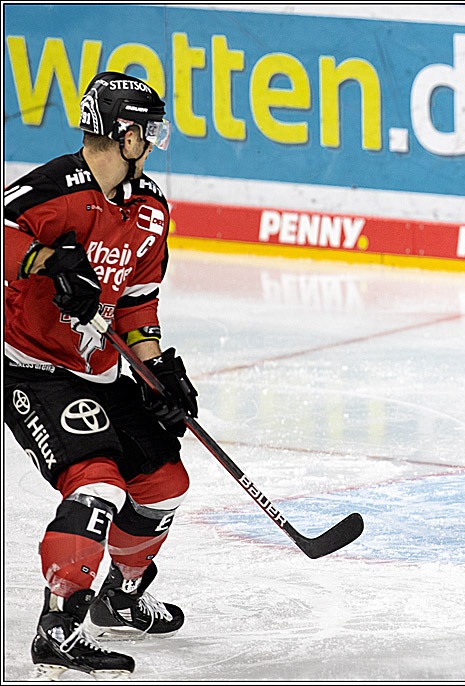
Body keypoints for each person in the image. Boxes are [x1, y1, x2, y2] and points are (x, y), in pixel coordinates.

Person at [4, 71, 199, 679]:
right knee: (97, 486)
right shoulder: (53, 190)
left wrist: (156, 371)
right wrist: (47, 260)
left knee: (164, 481)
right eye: (148, 130)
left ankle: (119, 596)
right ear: (122, 132)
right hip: (32, 369)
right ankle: (56, 630)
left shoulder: (150, 208)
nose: (155, 141)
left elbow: (137, 303)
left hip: (102, 368)